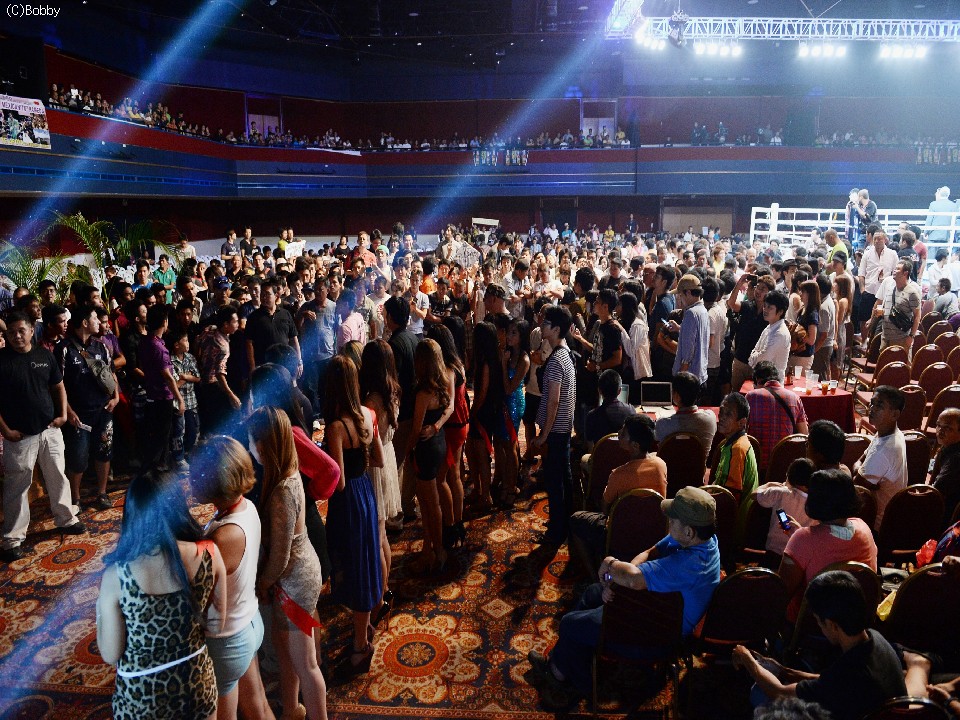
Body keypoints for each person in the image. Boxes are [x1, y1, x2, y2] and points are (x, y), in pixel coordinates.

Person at [526, 486, 721, 708]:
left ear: (688, 532)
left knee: (569, 624)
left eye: (673, 519)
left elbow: (633, 579)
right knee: (592, 593)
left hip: (659, 635)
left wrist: (610, 564)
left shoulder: (689, 564)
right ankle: (562, 665)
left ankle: (579, 684)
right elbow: (649, 552)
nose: (668, 520)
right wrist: (617, 581)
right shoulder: (703, 539)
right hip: (660, 609)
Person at [96, 471, 227, 720]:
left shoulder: (118, 574)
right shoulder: (209, 553)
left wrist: (100, 613)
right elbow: (215, 626)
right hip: (197, 684)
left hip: (142, 698)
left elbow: (110, 653)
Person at [733, 570, 906, 720]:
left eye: (818, 621)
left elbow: (779, 692)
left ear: (832, 625)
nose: (819, 627)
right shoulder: (875, 640)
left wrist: (746, 658)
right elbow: (827, 680)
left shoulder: (849, 675)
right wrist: (784, 671)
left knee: (759, 695)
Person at [247, 408, 328, 718]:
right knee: (288, 655)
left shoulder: (282, 489)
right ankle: (292, 708)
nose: (250, 447)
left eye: (252, 440)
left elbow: (281, 555)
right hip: (296, 575)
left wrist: (262, 584)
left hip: (295, 582)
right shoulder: (286, 472)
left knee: (306, 664)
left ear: (265, 443)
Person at [189, 436, 274, 720]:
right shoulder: (246, 507)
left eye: (195, 475)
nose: (190, 481)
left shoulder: (223, 536)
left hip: (227, 639)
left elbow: (199, 594)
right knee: (257, 705)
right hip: (247, 621)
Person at [0, 311, 86, 562]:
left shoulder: (43, 355)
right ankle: (13, 539)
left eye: (21, 331)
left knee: (58, 475)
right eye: (11, 332)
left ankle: (66, 518)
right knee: (18, 486)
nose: (17, 336)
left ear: (31, 330)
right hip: (19, 436)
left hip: (50, 429)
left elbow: (58, 386)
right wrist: (5, 430)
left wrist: (62, 414)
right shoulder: (2, 361)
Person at [322, 356, 384, 677]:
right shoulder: (368, 415)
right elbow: (379, 460)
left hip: (347, 501)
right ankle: (365, 628)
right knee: (366, 561)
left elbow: (339, 482)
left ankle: (360, 647)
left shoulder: (336, 427)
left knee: (356, 567)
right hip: (366, 494)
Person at [568, 414, 666, 576]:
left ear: (635, 445)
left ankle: (593, 576)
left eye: (623, 433)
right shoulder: (661, 465)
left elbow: (605, 509)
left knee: (575, 520)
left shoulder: (618, 474)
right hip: (653, 532)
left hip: (620, 534)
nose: (619, 433)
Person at [778, 469, 877, 621]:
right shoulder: (864, 528)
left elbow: (781, 592)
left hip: (810, 625)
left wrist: (799, 540)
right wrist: (800, 538)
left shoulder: (803, 539)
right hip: (855, 621)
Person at [56, 304, 119, 510]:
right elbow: (57, 385)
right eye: (95, 319)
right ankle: (75, 498)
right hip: (78, 415)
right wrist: (68, 411)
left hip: (103, 410)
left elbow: (111, 374)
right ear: (84, 322)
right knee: (78, 458)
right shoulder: (64, 349)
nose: (99, 322)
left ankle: (102, 493)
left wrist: (116, 397)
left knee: (104, 452)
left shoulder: (101, 346)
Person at [359, 339, 402, 623]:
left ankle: (381, 596)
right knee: (381, 534)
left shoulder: (371, 401)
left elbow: (367, 443)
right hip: (388, 454)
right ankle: (384, 591)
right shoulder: (393, 390)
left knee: (376, 539)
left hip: (376, 464)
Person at [530, 305, 577, 546]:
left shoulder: (557, 359)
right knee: (563, 479)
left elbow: (554, 400)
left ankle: (557, 531)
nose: (541, 325)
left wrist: (543, 435)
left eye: (546, 323)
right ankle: (564, 525)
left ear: (557, 329)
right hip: (563, 427)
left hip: (556, 429)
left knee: (555, 481)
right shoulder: (565, 353)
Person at [405, 339, 453, 572]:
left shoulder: (424, 392)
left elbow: (415, 430)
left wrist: (404, 453)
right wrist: (437, 426)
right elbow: (449, 408)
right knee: (426, 503)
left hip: (426, 449)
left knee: (431, 504)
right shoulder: (444, 381)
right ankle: (428, 550)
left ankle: (439, 551)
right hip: (439, 441)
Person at [425, 324, 469, 549]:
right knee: (455, 474)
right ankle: (456, 523)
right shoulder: (458, 363)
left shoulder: (448, 369)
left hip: (452, 424)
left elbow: (449, 406)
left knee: (443, 477)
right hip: (461, 422)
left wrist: (435, 426)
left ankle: (452, 526)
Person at [853, 385, 908, 531]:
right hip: (887, 512)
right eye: (872, 403)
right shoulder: (889, 433)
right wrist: (858, 467)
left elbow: (856, 487)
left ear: (895, 414)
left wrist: (857, 469)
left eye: (879, 406)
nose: (872, 408)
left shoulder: (885, 449)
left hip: (875, 521)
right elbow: (859, 461)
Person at [746, 361, 809, 471]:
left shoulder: (751, 396)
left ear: (757, 380)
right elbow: (804, 435)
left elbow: (741, 430)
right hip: (785, 465)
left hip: (755, 464)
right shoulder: (795, 398)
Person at [754, 457, 814, 559]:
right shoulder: (816, 502)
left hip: (773, 555)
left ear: (790, 477)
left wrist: (768, 484)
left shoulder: (781, 493)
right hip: (800, 558)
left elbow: (754, 494)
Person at [654, 371, 717, 456]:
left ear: (677, 396)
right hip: (699, 465)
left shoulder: (662, 424)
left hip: (668, 465)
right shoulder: (710, 418)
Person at [712, 392, 758, 505]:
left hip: (735, 513)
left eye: (728, 414)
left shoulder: (737, 449)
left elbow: (731, 498)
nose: (721, 417)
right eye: (721, 412)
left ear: (742, 422)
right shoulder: (732, 443)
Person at [666, 274, 710, 389]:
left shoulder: (691, 313)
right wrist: (680, 328)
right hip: (700, 374)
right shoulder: (703, 310)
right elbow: (697, 336)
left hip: (688, 378)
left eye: (681, 295)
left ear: (688, 293)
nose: (680, 299)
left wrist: (681, 377)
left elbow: (688, 352)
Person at [857, 228, 898, 341]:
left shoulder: (892, 254)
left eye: (879, 239)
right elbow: (861, 274)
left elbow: (895, 273)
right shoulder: (867, 254)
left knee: (881, 318)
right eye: (875, 239)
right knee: (864, 318)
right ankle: (864, 342)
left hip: (885, 293)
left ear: (885, 239)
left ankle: (876, 341)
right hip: (869, 291)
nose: (876, 241)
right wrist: (862, 290)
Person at [872, 259, 921, 353]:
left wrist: (911, 336)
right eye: (895, 268)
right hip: (885, 337)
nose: (894, 271)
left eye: (898, 269)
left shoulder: (912, 292)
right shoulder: (890, 289)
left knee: (900, 362)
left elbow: (917, 316)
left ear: (905, 273)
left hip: (901, 339)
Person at [748, 290, 792, 380]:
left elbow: (763, 360)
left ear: (780, 312)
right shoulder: (769, 327)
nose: (765, 310)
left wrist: (755, 356)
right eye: (764, 306)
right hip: (762, 380)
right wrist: (756, 355)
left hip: (773, 383)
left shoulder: (780, 333)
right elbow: (755, 350)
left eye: (770, 308)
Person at [932, 407, 960, 527]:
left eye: (947, 428)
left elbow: (936, 492)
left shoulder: (956, 459)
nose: (940, 431)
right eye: (938, 425)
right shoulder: (948, 447)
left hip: (947, 517)